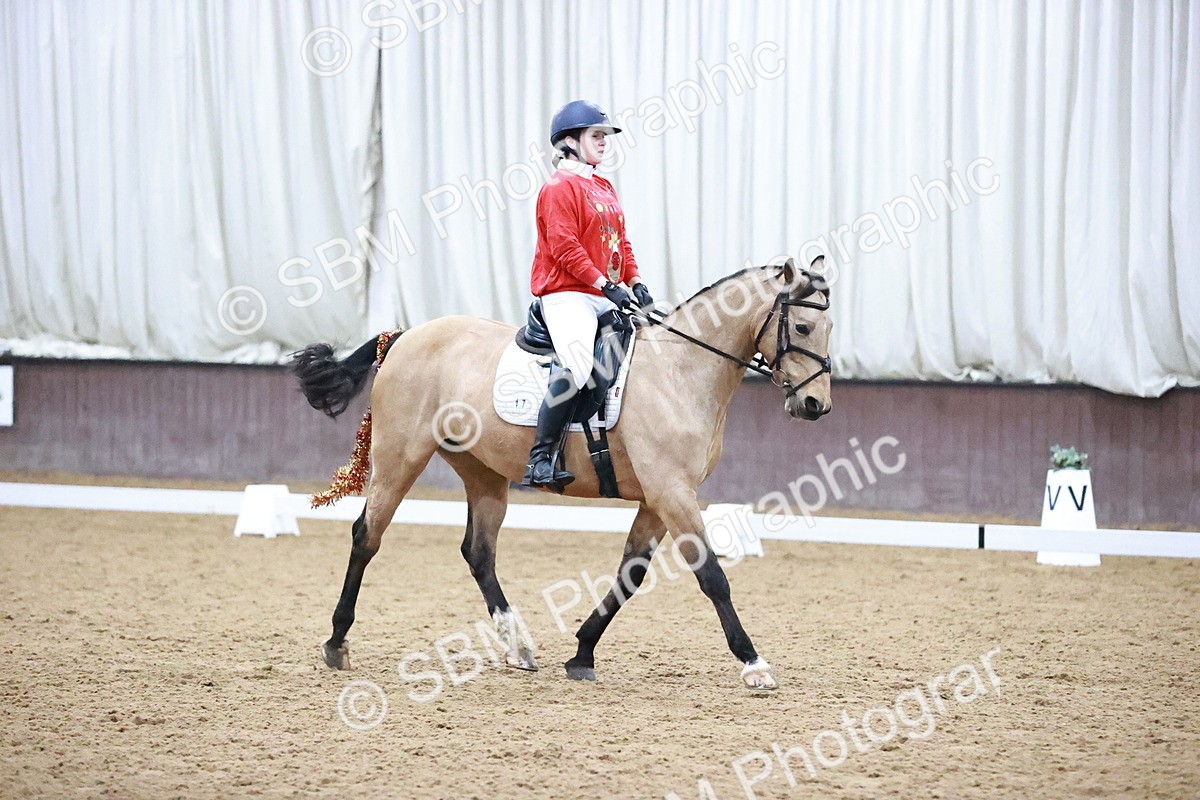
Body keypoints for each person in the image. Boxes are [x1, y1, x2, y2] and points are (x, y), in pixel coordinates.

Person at [522, 100, 655, 490]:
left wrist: (636, 282)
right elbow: (565, 248)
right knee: (579, 367)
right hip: (568, 294)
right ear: (569, 141)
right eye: (596, 135)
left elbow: (619, 243)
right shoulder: (558, 187)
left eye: (605, 136)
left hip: (604, 292)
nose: (604, 142)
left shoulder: (602, 186)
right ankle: (541, 457)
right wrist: (606, 286)